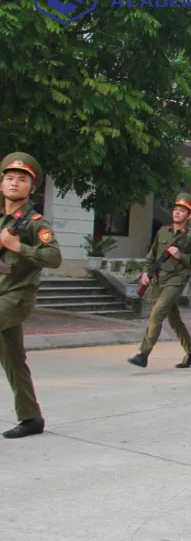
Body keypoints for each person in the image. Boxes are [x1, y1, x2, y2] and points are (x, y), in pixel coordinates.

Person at [0, 153, 62, 439]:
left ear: (31, 187)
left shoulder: (36, 223)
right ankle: (31, 418)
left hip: (16, 297)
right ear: (2, 184)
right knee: (13, 359)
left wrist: (18, 246)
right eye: (9, 178)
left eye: (22, 179)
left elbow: (54, 257)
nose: (14, 183)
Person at [128, 193, 191, 369]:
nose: (177, 213)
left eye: (182, 211)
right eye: (176, 209)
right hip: (160, 279)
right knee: (174, 319)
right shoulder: (163, 231)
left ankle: (143, 354)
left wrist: (180, 255)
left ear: (189, 216)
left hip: (176, 280)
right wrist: (146, 272)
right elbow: (152, 255)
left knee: (157, 313)